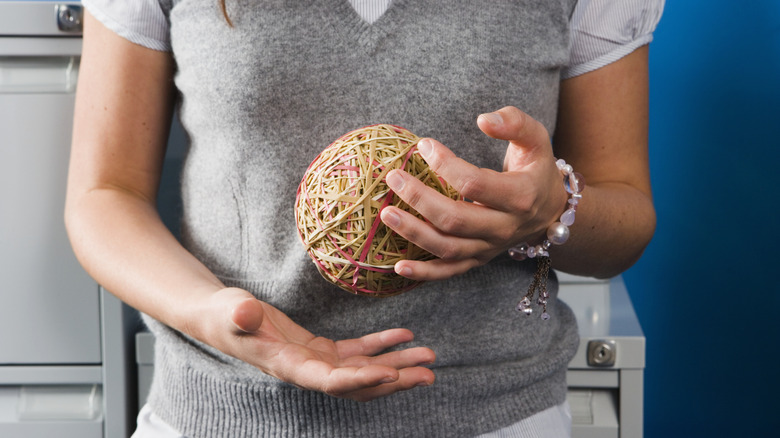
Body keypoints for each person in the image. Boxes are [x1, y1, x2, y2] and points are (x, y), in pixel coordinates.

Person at [66, 0, 663, 437]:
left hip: (498, 415)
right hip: (221, 412)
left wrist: (551, 210)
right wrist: (212, 312)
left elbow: (626, 214)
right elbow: (104, 193)